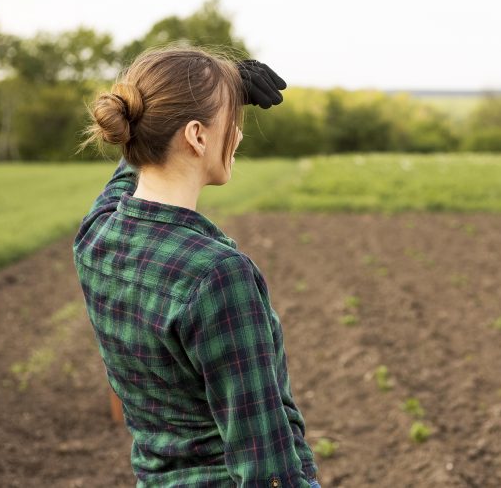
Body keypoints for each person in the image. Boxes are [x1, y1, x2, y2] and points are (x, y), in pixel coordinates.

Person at [72, 45, 321, 488]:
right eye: (233, 124)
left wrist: (220, 88)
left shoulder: (96, 236)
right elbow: (266, 469)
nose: (239, 137)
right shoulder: (217, 275)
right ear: (197, 136)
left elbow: (130, 168)